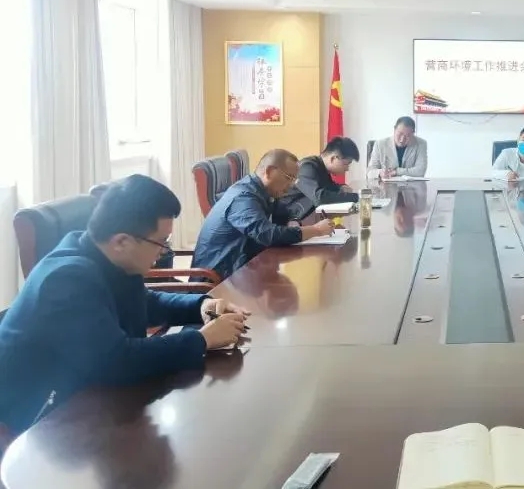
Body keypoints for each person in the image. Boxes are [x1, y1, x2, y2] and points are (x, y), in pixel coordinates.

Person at [0, 175, 250, 435]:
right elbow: (117, 362)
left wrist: (201, 306)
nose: (165, 252)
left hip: (85, 390)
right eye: (161, 242)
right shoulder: (67, 278)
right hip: (39, 417)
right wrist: (202, 340)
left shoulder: (105, 256)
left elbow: (147, 302)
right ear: (122, 242)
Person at [193, 149, 336, 279]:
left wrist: (293, 221)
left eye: (294, 180)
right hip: (217, 280)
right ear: (269, 171)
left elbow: (282, 214)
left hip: (242, 268)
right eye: (289, 178)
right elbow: (266, 234)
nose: (292, 185)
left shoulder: (263, 191)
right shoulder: (243, 198)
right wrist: (316, 230)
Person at [279, 137, 361, 220]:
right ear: (333, 158)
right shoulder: (307, 167)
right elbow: (320, 198)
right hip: (290, 219)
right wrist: (358, 197)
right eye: (346, 164)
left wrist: (339, 188)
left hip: (307, 217)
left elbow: (328, 188)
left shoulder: (322, 168)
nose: (347, 169)